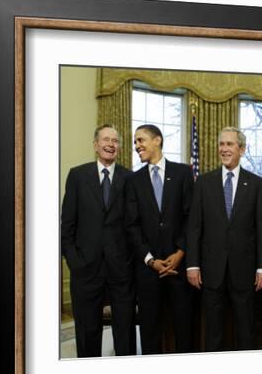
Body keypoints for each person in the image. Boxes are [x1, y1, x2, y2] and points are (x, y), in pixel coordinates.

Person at [187, 127, 262, 351]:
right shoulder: (204, 183)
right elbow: (194, 227)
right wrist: (192, 264)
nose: (224, 149)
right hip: (211, 271)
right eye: (221, 144)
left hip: (244, 270)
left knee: (246, 330)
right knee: (213, 331)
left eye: (230, 144)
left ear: (241, 149)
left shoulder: (256, 183)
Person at [61, 124, 136, 357]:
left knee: (124, 330)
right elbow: (67, 224)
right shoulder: (77, 175)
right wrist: (74, 260)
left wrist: (129, 261)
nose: (110, 145)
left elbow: (135, 224)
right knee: (87, 330)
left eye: (115, 141)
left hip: (121, 269)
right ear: (96, 145)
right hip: (86, 268)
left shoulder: (130, 178)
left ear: (120, 147)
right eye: (105, 140)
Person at [125, 124, 195, 354]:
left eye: (141, 140)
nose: (137, 146)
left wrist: (179, 253)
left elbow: (190, 218)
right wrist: (150, 260)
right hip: (148, 271)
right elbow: (131, 225)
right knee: (150, 332)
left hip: (179, 268)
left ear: (157, 140)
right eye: (135, 142)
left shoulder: (184, 173)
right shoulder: (133, 181)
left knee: (184, 330)